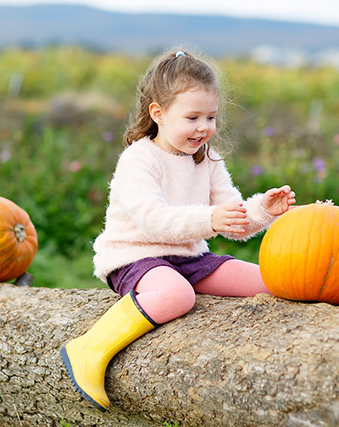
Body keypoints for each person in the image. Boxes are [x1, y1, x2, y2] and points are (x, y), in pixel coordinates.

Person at [60, 48, 296, 411]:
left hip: (188, 257)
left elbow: (231, 217)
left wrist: (262, 209)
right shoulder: (140, 159)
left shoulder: (208, 159)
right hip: (135, 256)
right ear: (158, 113)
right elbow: (152, 219)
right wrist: (209, 219)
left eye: (211, 117)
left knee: (272, 281)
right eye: (192, 117)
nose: (203, 127)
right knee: (176, 296)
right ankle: (89, 347)